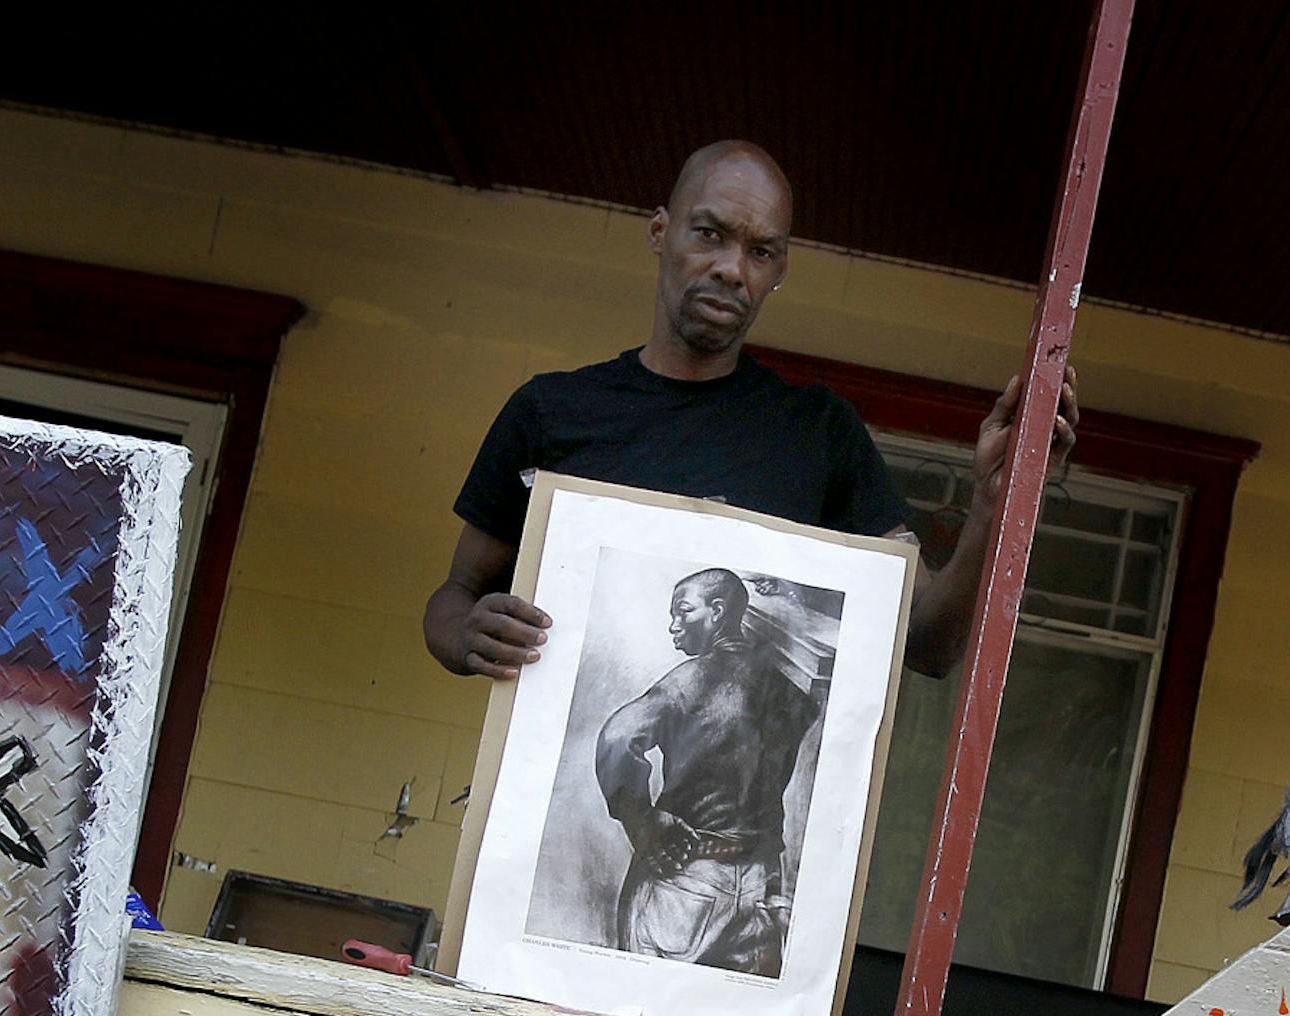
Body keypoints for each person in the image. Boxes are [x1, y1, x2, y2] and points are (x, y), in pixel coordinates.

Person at [423, 138, 1079, 683]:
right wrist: (464, 635)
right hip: (538, 790)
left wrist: (994, 506)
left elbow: (928, 645)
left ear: (778, 271)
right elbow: (455, 594)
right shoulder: (551, 410)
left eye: (760, 251)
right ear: (660, 231)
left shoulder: (818, 433)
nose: (732, 269)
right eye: (709, 234)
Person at [594, 568, 817, 974]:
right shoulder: (792, 695)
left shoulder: (688, 682)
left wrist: (642, 821)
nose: (673, 626)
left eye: (683, 611)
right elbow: (771, 799)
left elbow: (617, 737)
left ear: (717, 611)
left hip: (683, 889)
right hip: (759, 895)